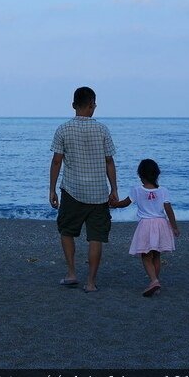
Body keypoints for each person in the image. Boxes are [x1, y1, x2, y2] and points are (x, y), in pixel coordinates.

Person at [49, 86, 119, 293]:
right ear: (92, 105)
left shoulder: (63, 129)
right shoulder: (102, 129)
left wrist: (51, 189)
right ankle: (91, 282)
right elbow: (109, 162)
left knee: (66, 231)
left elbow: (56, 161)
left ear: (73, 105)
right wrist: (114, 189)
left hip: (72, 190)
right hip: (98, 193)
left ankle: (71, 273)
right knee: (96, 237)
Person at [111, 158, 180, 297]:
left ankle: (154, 280)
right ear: (157, 175)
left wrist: (113, 204)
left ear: (141, 175)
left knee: (145, 255)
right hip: (161, 224)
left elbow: (125, 203)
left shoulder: (137, 190)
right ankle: (155, 282)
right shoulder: (163, 191)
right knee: (156, 255)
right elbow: (169, 210)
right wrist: (174, 227)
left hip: (146, 225)